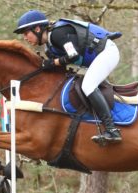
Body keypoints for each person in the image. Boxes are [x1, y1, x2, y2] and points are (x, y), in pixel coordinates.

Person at [14, 10, 123, 144]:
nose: (25, 38)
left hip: (107, 52)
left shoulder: (57, 34)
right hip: (97, 57)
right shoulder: (50, 46)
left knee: (88, 85)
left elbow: (73, 55)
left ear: (37, 29)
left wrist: (53, 63)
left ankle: (112, 130)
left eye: (26, 33)